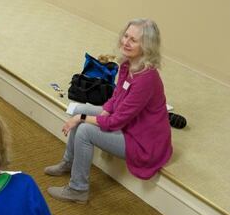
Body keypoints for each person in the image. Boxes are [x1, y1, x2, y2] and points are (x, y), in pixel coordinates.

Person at [46, 19, 172, 203]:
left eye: (133, 40)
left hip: (143, 142)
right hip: (130, 124)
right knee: (80, 110)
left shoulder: (147, 79)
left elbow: (116, 122)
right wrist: (103, 112)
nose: (126, 42)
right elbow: (115, 97)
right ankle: (69, 162)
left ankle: (78, 189)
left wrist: (83, 119)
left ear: (147, 46)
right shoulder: (128, 65)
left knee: (84, 129)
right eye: (126, 36)